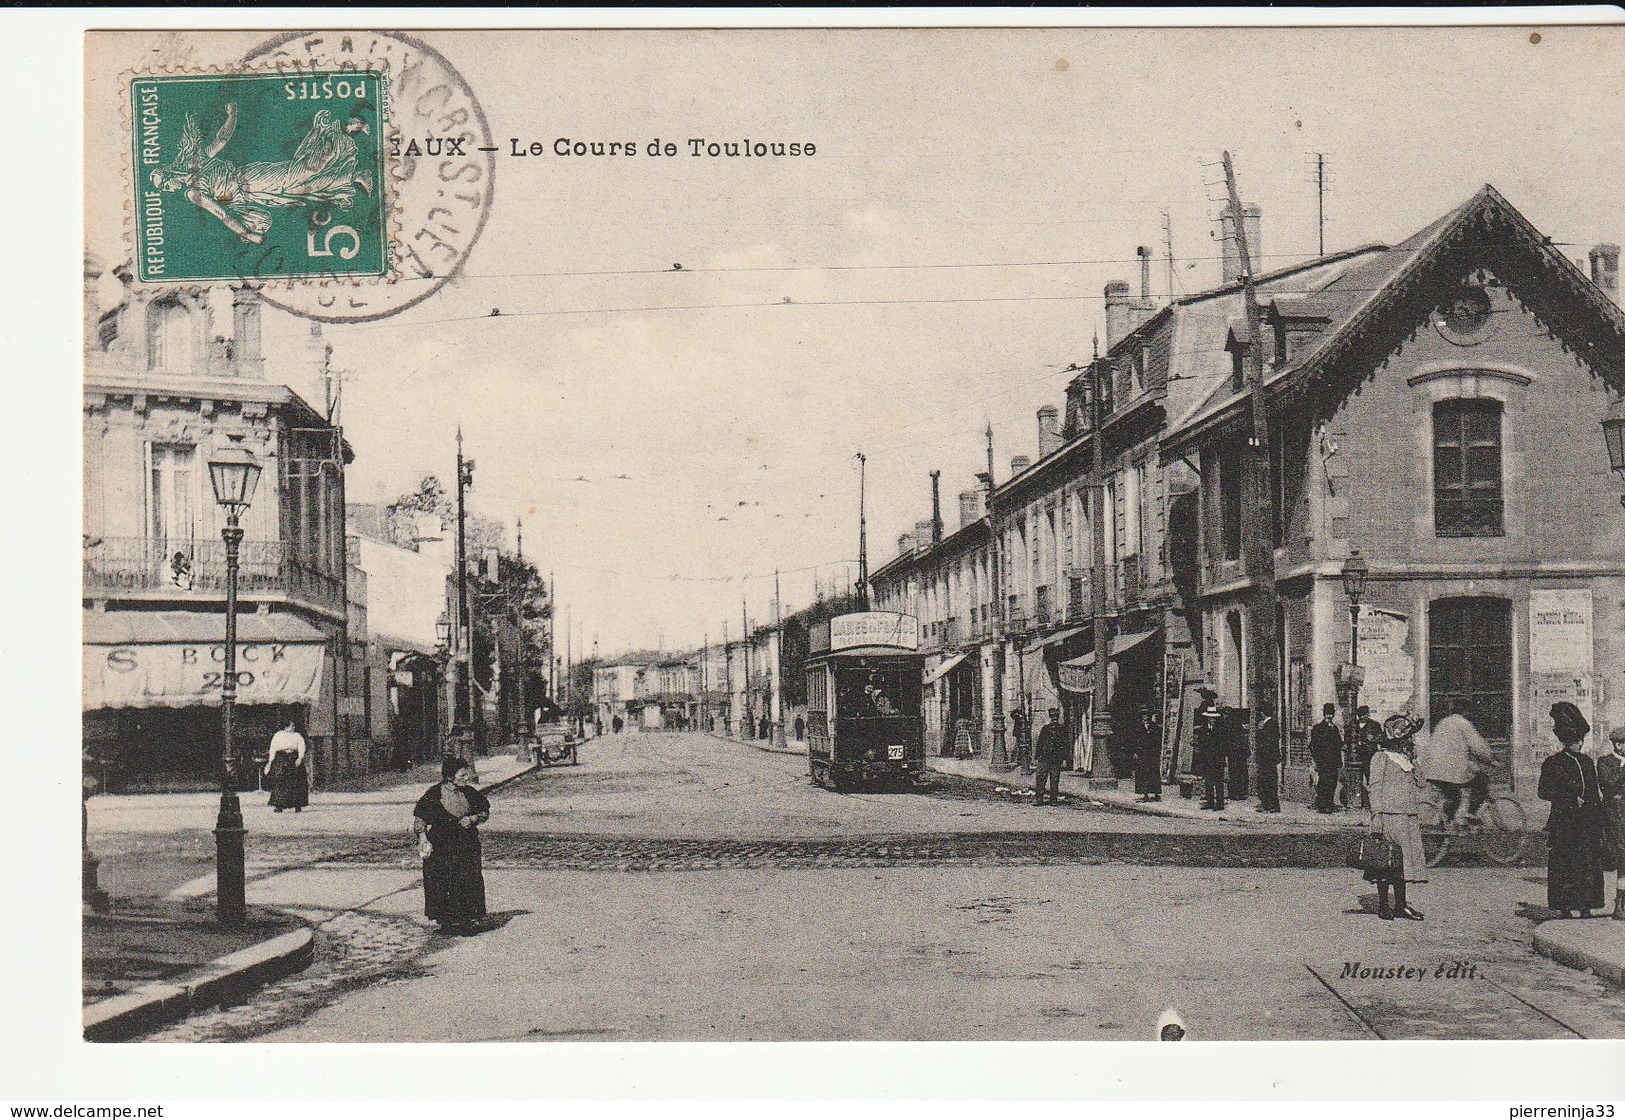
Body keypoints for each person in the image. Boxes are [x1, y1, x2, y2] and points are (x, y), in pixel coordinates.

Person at [1538, 702, 1606, 919]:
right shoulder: (1552, 763)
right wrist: (1568, 798)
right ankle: (1565, 907)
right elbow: (1544, 792)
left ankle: (1586, 906)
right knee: (1564, 863)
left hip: (1587, 822)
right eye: (1573, 741)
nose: (1577, 744)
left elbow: (1593, 792)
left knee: (1587, 863)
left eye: (1578, 741)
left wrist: (1598, 818)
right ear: (1564, 741)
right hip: (1564, 821)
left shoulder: (1587, 762)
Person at [414, 758, 491, 936]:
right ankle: (446, 920)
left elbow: (484, 811)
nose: (466, 777)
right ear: (450, 775)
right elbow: (420, 819)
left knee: (468, 877)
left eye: (467, 774)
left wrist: (473, 819)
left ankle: (467, 919)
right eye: (462, 774)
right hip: (441, 843)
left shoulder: (470, 793)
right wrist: (423, 838)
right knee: (442, 880)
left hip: (466, 842)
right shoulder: (434, 794)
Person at [1365, 714, 1428, 921]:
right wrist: (1377, 817)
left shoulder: (1406, 759)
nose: (1409, 741)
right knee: (1387, 862)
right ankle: (1384, 905)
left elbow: (1421, 783)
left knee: (1404, 864)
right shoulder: (1381, 758)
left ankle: (1401, 905)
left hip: (1408, 816)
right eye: (1406, 737)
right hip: (1390, 816)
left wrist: (1415, 761)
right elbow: (1374, 788)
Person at [1425, 699, 1496, 826]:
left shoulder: (1443, 722)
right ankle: (1466, 815)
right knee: (1477, 784)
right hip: (1451, 769)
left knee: (1451, 794)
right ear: (1466, 711)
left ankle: (1448, 818)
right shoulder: (1463, 724)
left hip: (1433, 769)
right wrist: (1489, 759)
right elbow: (1479, 747)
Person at [1599, 727, 1625, 921]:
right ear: (1616, 744)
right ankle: (1619, 905)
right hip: (1614, 817)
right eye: (1621, 743)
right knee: (1620, 860)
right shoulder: (1605, 762)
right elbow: (1609, 786)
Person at [1340, 705, 1382, 809]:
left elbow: (1381, 737)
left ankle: (1369, 802)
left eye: (1366, 714)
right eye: (1362, 715)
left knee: (1370, 779)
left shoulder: (1374, 725)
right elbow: (1347, 739)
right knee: (1356, 780)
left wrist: (1373, 738)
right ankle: (1356, 801)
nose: (1364, 716)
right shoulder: (1353, 725)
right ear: (1359, 716)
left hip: (1369, 756)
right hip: (1355, 757)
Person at [264, 718, 309, 813]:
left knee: (296, 782)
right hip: (281, 759)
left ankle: (297, 804)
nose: (293, 727)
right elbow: (273, 749)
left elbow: (301, 747)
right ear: (286, 727)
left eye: (294, 726)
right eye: (291, 726)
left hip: (293, 758)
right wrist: (270, 762)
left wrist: (300, 758)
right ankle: (279, 805)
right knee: (280, 781)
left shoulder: (297, 736)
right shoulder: (278, 735)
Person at [1193, 688, 1225, 810]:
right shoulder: (1204, 730)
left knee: (1218, 781)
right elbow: (1201, 743)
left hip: (1217, 759)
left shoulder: (1220, 730)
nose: (1211, 719)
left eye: (1213, 718)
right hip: (1207, 758)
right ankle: (1210, 801)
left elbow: (1223, 744)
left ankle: (1220, 803)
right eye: (1209, 718)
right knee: (1208, 781)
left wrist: (1221, 757)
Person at [1309, 703, 1344, 813]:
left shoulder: (1334, 728)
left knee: (1332, 782)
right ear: (1324, 714)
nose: (1329, 716)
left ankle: (1329, 803)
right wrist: (1317, 760)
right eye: (1328, 714)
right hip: (1323, 761)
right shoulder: (1318, 728)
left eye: (1331, 714)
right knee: (1324, 782)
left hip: (1333, 761)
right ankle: (1323, 804)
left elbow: (1338, 743)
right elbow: (1313, 745)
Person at [1033, 708, 1069, 806]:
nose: (1054, 719)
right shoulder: (1045, 729)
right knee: (1040, 779)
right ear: (1050, 717)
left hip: (1056, 758)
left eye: (1055, 717)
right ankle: (1039, 799)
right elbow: (1040, 742)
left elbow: (1065, 745)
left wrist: (1065, 759)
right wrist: (1036, 757)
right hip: (1044, 757)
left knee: (1054, 779)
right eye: (1052, 717)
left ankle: (1053, 799)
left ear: (1057, 717)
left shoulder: (1062, 729)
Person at [1254, 701, 1281, 813]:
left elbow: (1270, 741)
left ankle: (1272, 805)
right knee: (1264, 781)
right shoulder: (1266, 724)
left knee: (1269, 781)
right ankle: (1266, 804)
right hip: (1265, 758)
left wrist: (1260, 731)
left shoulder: (1271, 724)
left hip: (1268, 758)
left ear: (1263, 713)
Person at [1134, 706, 1163, 803]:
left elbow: (1158, 741)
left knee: (1154, 772)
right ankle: (1144, 793)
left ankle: (1156, 793)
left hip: (1152, 753)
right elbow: (1135, 741)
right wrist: (1136, 752)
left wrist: (1157, 752)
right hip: (1142, 753)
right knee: (1142, 772)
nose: (1145, 717)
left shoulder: (1155, 727)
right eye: (1143, 715)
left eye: (1147, 714)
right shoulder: (1138, 727)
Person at [1224, 706, 1251, 801]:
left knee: (1235, 772)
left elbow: (1229, 740)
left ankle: (1236, 793)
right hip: (1240, 752)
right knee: (1241, 771)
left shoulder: (1230, 725)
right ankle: (1241, 792)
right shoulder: (1238, 726)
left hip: (1235, 752)